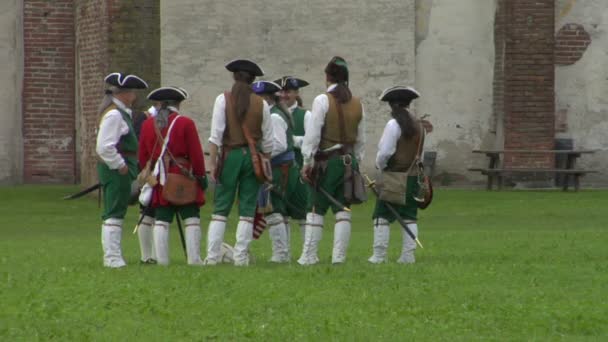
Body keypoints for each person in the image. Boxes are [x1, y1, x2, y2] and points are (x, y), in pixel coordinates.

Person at [298, 57, 366, 265]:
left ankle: (309, 256)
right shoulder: (358, 103)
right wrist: (356, 163)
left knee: (315, 208)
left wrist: (307, 162)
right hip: (349, 162)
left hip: (327, 162)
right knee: (343, 209)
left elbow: (312, 136)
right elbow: (361, 140)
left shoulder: (322, 100)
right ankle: (339, 258)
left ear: (328, 77)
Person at [205, 59, 273, 266]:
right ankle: (241, 257)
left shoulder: (222, 99)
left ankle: (213, 255)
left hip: (230, 157)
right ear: (253, 80)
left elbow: (215, 136)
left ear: (234, 77)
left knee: (221, 208)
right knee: (247, 208)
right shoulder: (262, 104)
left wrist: (212, 164)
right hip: (252, 158)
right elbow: (269, 143)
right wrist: (265, 163)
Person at [138, 86, 207, 265]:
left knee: (161, 218)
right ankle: (194, 259)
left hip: (160, 177)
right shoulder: (186, 123)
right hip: (182, 175)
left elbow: (143, 157)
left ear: (160, 105)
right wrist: (200, 176)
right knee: (191, 217)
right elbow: (196, 154)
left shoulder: (147, 125)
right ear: (176, 104)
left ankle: (162, 261)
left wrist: (151, 176)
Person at [368, 86, 429, 264]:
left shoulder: (393, 124)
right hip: (413, 177)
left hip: (394, 177)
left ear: (392, 105)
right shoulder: (420, 126)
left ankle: (379, 256)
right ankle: (408, 256)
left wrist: (380, 167)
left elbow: (385, 152)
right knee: (410, 216)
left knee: (381, 215)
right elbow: (421, 155)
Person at [251, 80, 308, 262]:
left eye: (258, 98)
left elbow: (279, 145)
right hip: (282, 169)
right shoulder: (273, 113)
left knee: (273, 210)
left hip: (278, 169)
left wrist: (260, 155)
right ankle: (286, 253)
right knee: (280, 211)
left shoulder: (274, 116)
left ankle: (281, 254)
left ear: (266, 98)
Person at [96, 72, 148, 268]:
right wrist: (120, 165)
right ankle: (112, 258)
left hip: (116, 169)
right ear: (123, 93)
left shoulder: (115, 112)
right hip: (116, 170)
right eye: (132, 92)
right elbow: (104, 146)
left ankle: (113, 257)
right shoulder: (114, 114)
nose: (134, 96)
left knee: (116, 211)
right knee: (114, 213)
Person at [133, 102, 160, 264]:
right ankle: (147, 255)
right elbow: (139, 146)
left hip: (158, 168)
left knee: (157, 213)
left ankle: (155, 255)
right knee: (147, 211)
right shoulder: (144, 119)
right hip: (150, 169)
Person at [274, 76, 311, 168]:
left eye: (287, 92)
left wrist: (292, 140)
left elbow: (312, 144)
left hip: (298, 172)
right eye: (280, 91)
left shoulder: (306, 115)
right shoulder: (270, 113)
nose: (283, 95)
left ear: (296, 93)